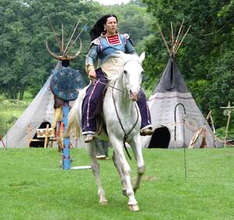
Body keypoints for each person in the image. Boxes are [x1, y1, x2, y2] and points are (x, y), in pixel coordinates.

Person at [82, 14, 153, 143]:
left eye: (115, 22)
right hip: (105, 72)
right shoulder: (98, 42)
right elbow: (90, 57)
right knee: (92, 95)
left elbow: (133, 54)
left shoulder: (124, 39)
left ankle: (145, 124)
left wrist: (135, 64)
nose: (113, 25)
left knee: (139, 92)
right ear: (105, 25)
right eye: (110, 23)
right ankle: (89, 128)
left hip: (122, 72)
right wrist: (91, 68)